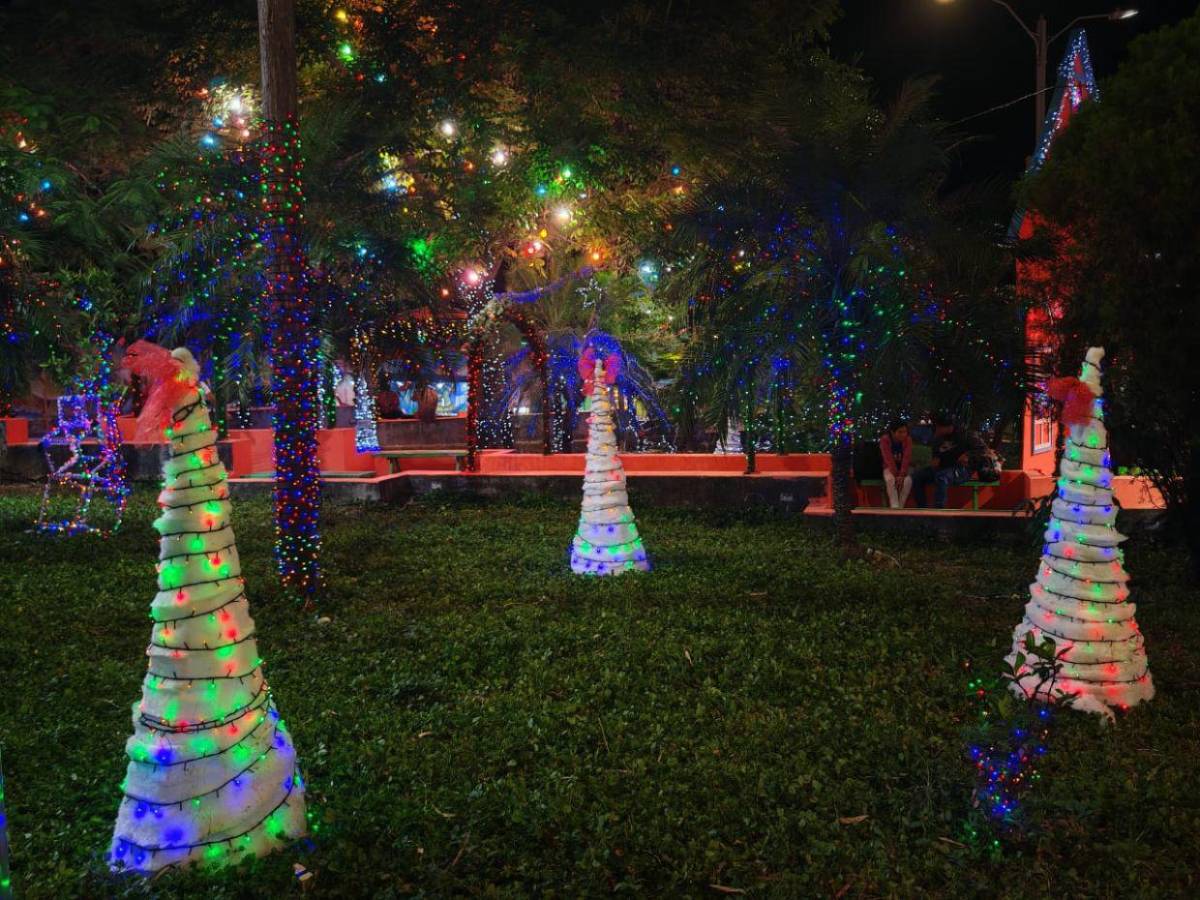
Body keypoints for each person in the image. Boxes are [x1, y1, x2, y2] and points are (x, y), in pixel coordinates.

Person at [912, 415, 988, 508]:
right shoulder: (938, 437)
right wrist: (934, 460)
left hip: (961, 469)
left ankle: (938, 511)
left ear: (949, 427)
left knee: (942, 477)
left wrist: (968, 455)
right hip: (943, 467)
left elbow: (983, 450)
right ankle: (922, 508)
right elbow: (936, 456)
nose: (938, 429)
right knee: (917, 476)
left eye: (940, 427)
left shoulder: (965, 434)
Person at [879, 420, 912, 508]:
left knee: (908, 481)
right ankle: (894, 506)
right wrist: (896, 475)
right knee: (890, 480)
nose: (903, 434)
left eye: (905, 432)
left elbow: (906, 458)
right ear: (893, 432)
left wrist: (901, 475)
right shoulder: (885, 440)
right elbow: (888, 459)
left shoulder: (908, 440)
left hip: (903, 469)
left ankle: (900, 507)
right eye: (900, 432)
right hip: (889, 468)